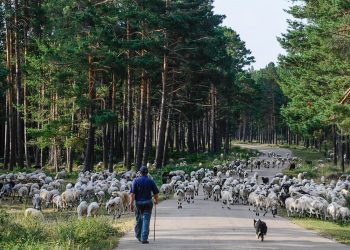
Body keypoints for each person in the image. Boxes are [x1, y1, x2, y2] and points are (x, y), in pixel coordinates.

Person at [130, 166, 159, 244]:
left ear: (140, 172)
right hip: (148, 203)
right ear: (147, 173)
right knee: (146, 220)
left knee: (138, 219)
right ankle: (144, 238)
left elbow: (132, 194)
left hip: (138, 203)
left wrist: (131, 204)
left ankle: (138, 236)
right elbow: (156, 193)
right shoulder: (150, 181)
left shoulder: (135, 181)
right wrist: (156, 200)